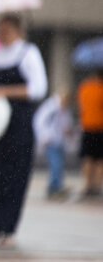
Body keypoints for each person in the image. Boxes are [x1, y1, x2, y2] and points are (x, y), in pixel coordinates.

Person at [0, 14, 48, 249]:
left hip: (18, 124)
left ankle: (8, 227)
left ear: (17, 30)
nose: (1, 34)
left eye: (6, 29)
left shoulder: (28, 53)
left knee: (14, 175)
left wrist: (6, 91)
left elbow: (38, 88)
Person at [33, 88, 74, 200]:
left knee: (59, 164)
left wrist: (69, 132)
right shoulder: (51, 107)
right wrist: (44, 137)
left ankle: (57, 186)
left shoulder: (63, 108)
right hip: (51, 140)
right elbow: (39, 121)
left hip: (59, 140)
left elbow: (65, 122)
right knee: (55, 164)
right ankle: (53, 188)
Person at [76, 70, 103, 198]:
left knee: (87, 157)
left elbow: (81, 106)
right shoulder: (101, 89)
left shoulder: (84, 88)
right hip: (99, 128)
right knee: (99, 159)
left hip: (86, 127)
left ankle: (87, 185)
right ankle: (96, 186)